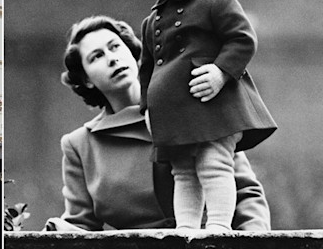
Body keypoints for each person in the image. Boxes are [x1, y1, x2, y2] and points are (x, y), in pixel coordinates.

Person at [45, 15, 270, 231]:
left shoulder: (191, 108)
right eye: (96, 56)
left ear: (132, 53)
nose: (112, 58)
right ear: (86, 79)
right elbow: (81, 227)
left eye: (115, 47)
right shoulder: (79, 145)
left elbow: (246, 194)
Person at [138, 0, 277, 232]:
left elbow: (243, 40)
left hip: (212, 108)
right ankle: (186, 229)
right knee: (183, 171)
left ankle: (218, 226)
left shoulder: (215, 2)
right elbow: (146, 69)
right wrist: (147, 108)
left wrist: (220, 72)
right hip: (174, 114)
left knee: (215, 165)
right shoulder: (151, 22)